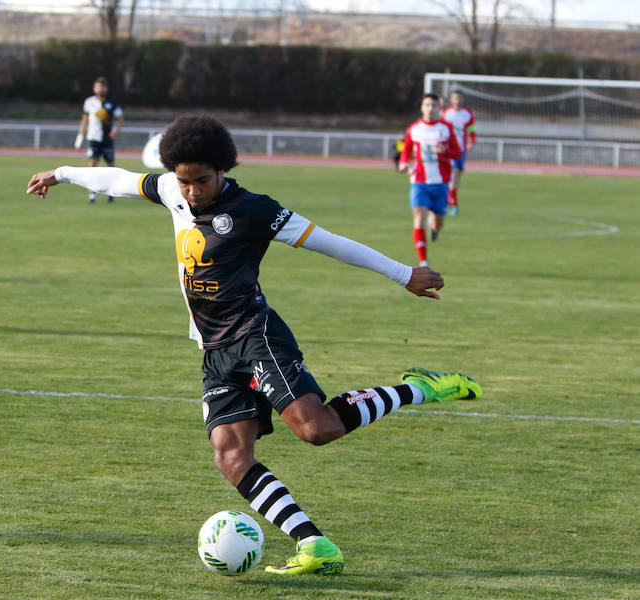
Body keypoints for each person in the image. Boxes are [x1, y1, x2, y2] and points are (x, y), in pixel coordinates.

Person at [27, 114, 482, 576]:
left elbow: (329, 242)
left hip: (255, 336)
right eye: (183, 181)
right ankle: (315, 546)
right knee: (230, 455)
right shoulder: (171, 190)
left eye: (201, 181)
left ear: (222, 169)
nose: (191, 191)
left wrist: (404, 274)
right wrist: (61, 174)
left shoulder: (255, 210)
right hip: (214, 350)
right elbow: (121, 180)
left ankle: (421, 388)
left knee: (316, 429)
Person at [398, 93, 462, 267]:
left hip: (441, 183)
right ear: (422, 107)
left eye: (434, 105)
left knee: (438, 223)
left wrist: (444, 151)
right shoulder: (414, 128)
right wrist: (404, 163)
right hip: (419, 181)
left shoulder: (446, 129)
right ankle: (423, 262)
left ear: (439, 108)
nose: (430, 108)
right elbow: (406, 150)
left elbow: (457, 153)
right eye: (427, 105)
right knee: (418, 217)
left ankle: (435, 228)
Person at [74, 76, 123, 203]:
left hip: (107, 138)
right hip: (93, 138)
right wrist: (80, 136)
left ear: (106, 88)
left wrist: (115, 130)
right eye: (97, 86)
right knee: (92, 163)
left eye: (102, 86)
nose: (100, 88)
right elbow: (85, 120)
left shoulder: (112, 102)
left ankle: (113, 191)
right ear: (94, 88)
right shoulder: (89, 102)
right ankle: (92, 193)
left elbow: (120, 119)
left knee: (110, 165)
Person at [441, 91, 477, 215]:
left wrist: (472, 141)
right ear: (451, 99)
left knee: (457, 175)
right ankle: (451, 202)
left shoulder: (467, 114)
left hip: (462, 149)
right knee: (453, 173)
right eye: (456, 98)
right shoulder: (446, 113)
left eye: (460, 98)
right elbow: (440, 129)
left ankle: (451, 199)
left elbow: (472, 129)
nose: (458, 100)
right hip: (449, 150)